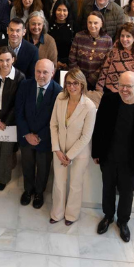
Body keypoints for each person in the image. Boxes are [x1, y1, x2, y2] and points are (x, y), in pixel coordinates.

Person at [92, 71, 134, 243]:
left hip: (130, 160)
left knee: (127, 192)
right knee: (107, 188)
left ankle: (123, 221)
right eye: (121, 85)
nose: (124, 90)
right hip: (109, 156)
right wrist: (96, 152)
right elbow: (99, 127)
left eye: (128, 86)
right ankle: (108, 216)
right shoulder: (109, 100)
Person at [49, 69, 97, 226]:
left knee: (75, 184)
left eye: (75, 83)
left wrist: (69, 156)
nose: (72, 86)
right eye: (68, 83)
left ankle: (71, 214)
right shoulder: (60, 98)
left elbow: (86, 136)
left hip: (79, 153)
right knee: (58, 183)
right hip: (59, 150)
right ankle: (57, 213)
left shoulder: (89, 106)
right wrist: (56, 149)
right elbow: (53, 124)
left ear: (82, 84)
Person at [16, 59, 62, 208]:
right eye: (38, 71)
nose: (41, 75)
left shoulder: (59, 92)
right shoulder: (25, 85)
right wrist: (27, 134)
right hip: (26, 136)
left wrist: (40, 136)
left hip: (46, 138)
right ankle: (28, 190)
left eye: (45, 72)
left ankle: (39, 192)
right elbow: (19, 112)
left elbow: (56, 120)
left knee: (43, 168)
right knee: (27, 165)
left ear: (53, 73)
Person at [0, 46, 25, 190]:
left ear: (13, 60)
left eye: (8, 60)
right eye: (1, 60)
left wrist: (5, 122)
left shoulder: (20, 77)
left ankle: (3, 178)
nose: (5, 64)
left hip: (10, 120)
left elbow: (18, 104)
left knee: (7, 152)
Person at [96, 22, 134, 94]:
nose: (124, 39)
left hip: (127, 92)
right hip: (110, 89)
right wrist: (99, 86)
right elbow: (106, 67)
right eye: (122, 36)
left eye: (128, 36)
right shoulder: (116, 47)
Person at [69, 11, 113, 90]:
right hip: (77, 79)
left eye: (96, 23)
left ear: (101, 24)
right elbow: (72, 58)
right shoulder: (79, 36)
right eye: (90, 22)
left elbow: (106, 64)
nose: (92, 25)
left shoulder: (108, 40)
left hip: (96, 82)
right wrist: (79, 77)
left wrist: (91, 79)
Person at [49, 0, 76, 74]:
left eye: (65, 10)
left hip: (69, 63)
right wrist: (56, 62)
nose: (61, 13)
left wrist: (67, 63)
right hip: (52, 62)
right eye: (59, 10)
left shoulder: (73, 27)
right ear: (55, 10)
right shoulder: (49, 26)